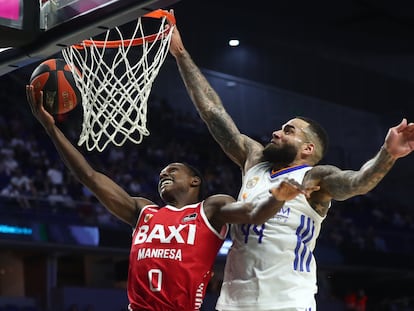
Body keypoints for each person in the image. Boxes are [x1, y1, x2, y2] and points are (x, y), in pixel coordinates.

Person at [168, 10, 414, 311]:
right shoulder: (254, 160)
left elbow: (358, 183)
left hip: (288, 303)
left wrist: (387, 153)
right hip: (233, 302)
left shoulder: (316, 178)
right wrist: (181, 54)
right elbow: (213, 112)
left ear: (308, 148)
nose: (276, 133)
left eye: (288, 130)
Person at [26, 85, 316, 311]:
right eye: (162, 172)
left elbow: (253, 214)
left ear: (195, 180)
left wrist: (277, 198)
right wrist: (51, 127)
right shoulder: (143, 211)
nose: (165, 174)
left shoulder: (212, 208)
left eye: (173, 170)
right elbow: (89, 176)